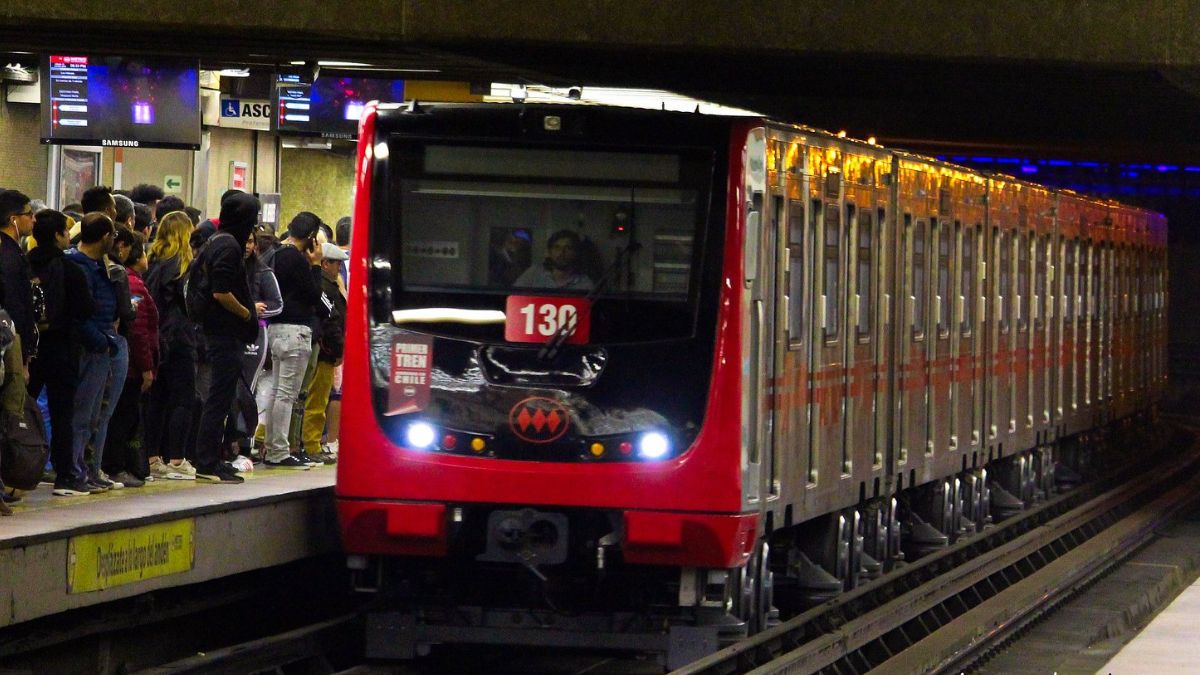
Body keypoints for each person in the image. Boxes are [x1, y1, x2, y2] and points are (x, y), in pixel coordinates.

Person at [191, 192, 260, 483]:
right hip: (224, 332)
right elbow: (221, 292)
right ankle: (207, 462)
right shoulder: (230, 246)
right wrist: (246, 314)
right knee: (219, 399)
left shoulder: (215, 241)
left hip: (215, 331)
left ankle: (211, 458)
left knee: (219, 399)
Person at [27, 210, 96, 496]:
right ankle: (65, 474)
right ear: (57, 235)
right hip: (62, 347)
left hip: (30, 348)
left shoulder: (24, 263)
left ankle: (15, 467)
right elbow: (86, 309)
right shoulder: (70, 269)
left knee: (20, 407)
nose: (69, 237)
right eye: (65, 232)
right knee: (62, 412)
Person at [256, 212, 327, 469]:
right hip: (295, 331)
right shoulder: (296, 260)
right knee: (287, 394)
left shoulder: (276, 254)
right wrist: (317, 265)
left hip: (274, 330)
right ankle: (280, 451)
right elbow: (314, 296)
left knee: (277, 392)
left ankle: (273, 448)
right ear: (310, 237)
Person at [66, 213, 124, 491]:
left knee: (91, 416)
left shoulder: (98, 266)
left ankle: (83, 468)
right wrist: (101, 341)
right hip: (91, 348)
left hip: (100, 344)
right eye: (113, 235)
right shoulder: (79, 267)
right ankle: (74, 471)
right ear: (104, 237)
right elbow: (80, 314)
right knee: (82, 413)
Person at [144, 212, 199, 480]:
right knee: (183, 398)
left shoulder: (153, 262)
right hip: (180, 339)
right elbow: (190, 304)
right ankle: (177, 459)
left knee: (158, 399)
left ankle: (153, 457)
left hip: (157, 336)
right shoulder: (184, 265)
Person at [103, 231, 157, 488]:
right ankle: (115, 465)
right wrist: (146, 367)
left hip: (132, 364)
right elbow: (138, 329)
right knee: (121, 416)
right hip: (133, 367)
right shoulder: (133, 284)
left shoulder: (133, 281)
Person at [300, 242, 346, 463]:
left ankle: (308, 442)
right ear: (325, 263)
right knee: (316, 401)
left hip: (325, 350)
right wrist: (337, 348)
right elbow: (331, 322)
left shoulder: (329, 286)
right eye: (337, 264)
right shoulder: (325, 288)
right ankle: (311, 444)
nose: (340, 268)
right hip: (325, 352)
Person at [0, 190, 37, 366]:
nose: (34, 219)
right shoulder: (9, 256)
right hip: (11, 344)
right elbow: (15, 305)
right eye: (29, 214)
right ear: (12, 219)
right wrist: (23, 355)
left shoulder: (12, 251)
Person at [513, 229, 594, 290]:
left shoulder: (585, 284)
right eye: (557, 247)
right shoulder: (533, 274)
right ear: (549, 252)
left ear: (575, 252)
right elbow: (514, 297)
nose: (561, 252)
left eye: (568, 248)